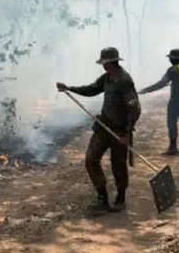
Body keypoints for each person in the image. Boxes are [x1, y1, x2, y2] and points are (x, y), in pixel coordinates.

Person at [56, 47, 141, 214]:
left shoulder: (124, 81)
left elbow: (135, 109)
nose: (102, 66)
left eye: (103, 63)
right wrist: (69, 88)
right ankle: (102, 199)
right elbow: (91, 89)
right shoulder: (107, 77)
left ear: (109, 63)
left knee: (118, 164)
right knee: (91, 160)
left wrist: (126, 132)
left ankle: (120, 198)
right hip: (104, 126)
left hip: (119, 130)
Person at [138, 48, 179, 155]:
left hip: (175, 101)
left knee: (172, 123)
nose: (169, 60)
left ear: (173, 59)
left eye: (170, 58)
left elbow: (162, 83)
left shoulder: (172, 70)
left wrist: (147, 90)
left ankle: (173, 147)